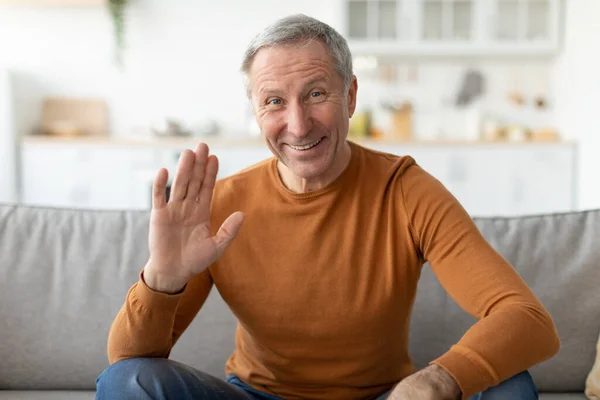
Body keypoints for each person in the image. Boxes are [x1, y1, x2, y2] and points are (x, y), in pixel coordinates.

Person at [96, 14, 560, 400]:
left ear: (351, 95)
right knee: (127, 383)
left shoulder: (406, 189)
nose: (297, 125)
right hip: (256, 396)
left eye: (316, 94)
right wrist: (163, 277)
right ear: (256, 111)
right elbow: (126, 363)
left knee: (511, 388)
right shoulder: (219, 205)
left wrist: (443, 377)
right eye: (274, 101)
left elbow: (528, 320)